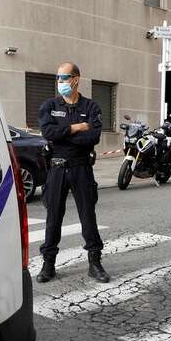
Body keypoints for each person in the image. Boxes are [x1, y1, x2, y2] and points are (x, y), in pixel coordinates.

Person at [36, 62, 107, 284]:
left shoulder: (91, 106)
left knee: (88, 216)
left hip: (81, 168)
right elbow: (48, 132)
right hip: (56, 167)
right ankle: (48, 265)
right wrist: (76, 128)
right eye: (57, 78)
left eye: (63, 77)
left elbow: (93, 137)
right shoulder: (50, 105)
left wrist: (62, 134)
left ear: (75, 79)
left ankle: (94, 263)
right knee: (53, 217)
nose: (60, 82)